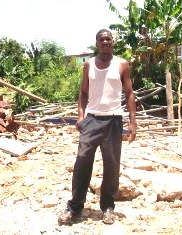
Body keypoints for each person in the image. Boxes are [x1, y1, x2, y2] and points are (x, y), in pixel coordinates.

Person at [58, 29, 137, 225]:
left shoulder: (122, 64)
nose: (105, 42)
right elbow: (83, 92)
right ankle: (74, 207)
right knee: (82, 161)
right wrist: (80, 116)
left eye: (108, 39)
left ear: (113, 42)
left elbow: (129, 93)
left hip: (113, 120)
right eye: (101, 39)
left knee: (112, 164)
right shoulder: (89, 64)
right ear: (96, 43)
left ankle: (108, 207)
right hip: (92, 120)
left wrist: (133, 122)